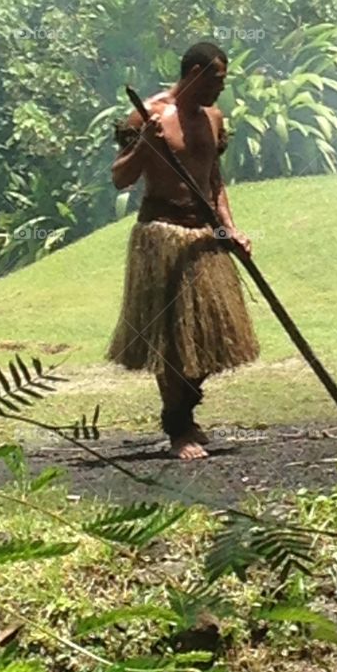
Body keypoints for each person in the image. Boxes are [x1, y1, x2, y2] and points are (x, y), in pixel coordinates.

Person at [107, 41, 258, 460]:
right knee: (171, 341)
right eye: (215, 80)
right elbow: (120, 178)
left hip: (204, 234)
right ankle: (178, 430)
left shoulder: (212, 118)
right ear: (193, 74)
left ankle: (183, 411)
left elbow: (214, 180)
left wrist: (231, 230)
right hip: (162, 236)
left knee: (213, 337)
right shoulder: (150, 115)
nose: (219, 90)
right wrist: (144, 147)